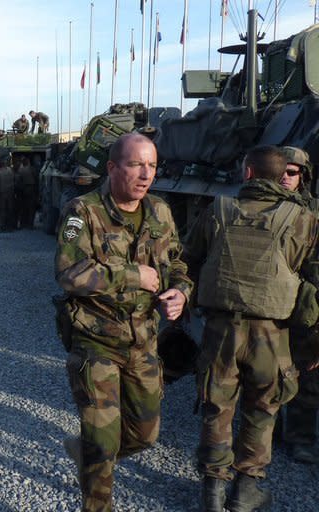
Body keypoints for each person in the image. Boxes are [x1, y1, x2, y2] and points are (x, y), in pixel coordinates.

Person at [56, 133, 192, 512]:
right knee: (103, 444)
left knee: (146, 436)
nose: (146, 174)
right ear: (113, 167)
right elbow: (69, 273)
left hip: (144, 342)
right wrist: (133, 276)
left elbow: (178, 263)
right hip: (95, 341)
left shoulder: (160, 212)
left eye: (151, 165)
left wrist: (180, 292)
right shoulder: (82, 212)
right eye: (135, 165)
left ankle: (89, 451)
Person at [185, 145, 319, 512]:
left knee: (217, 408)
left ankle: (212, 492)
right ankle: (246, 491)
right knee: (262, 410)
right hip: (272, 336)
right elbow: (315, 282)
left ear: (247, 174)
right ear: (283, 178)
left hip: (219, 331)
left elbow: (189, 261)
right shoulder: (303, 220)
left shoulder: (218, 210)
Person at [275, 146, 319, 465]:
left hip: (305, 304)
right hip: (270, 305)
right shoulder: (258, 209)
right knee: (266, 375)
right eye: (280, 171)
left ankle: (301, 436)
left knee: (308, 372)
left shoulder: (314, 213)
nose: (285, 178)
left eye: (292, 172)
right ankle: (267, 431)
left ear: (303, 176)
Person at [0, 154, 16, 232]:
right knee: (10, 210)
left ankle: (2, 227)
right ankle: (10, 226)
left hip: (1, 195)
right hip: (10, 194)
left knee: (1, 211)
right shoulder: (10, 171)